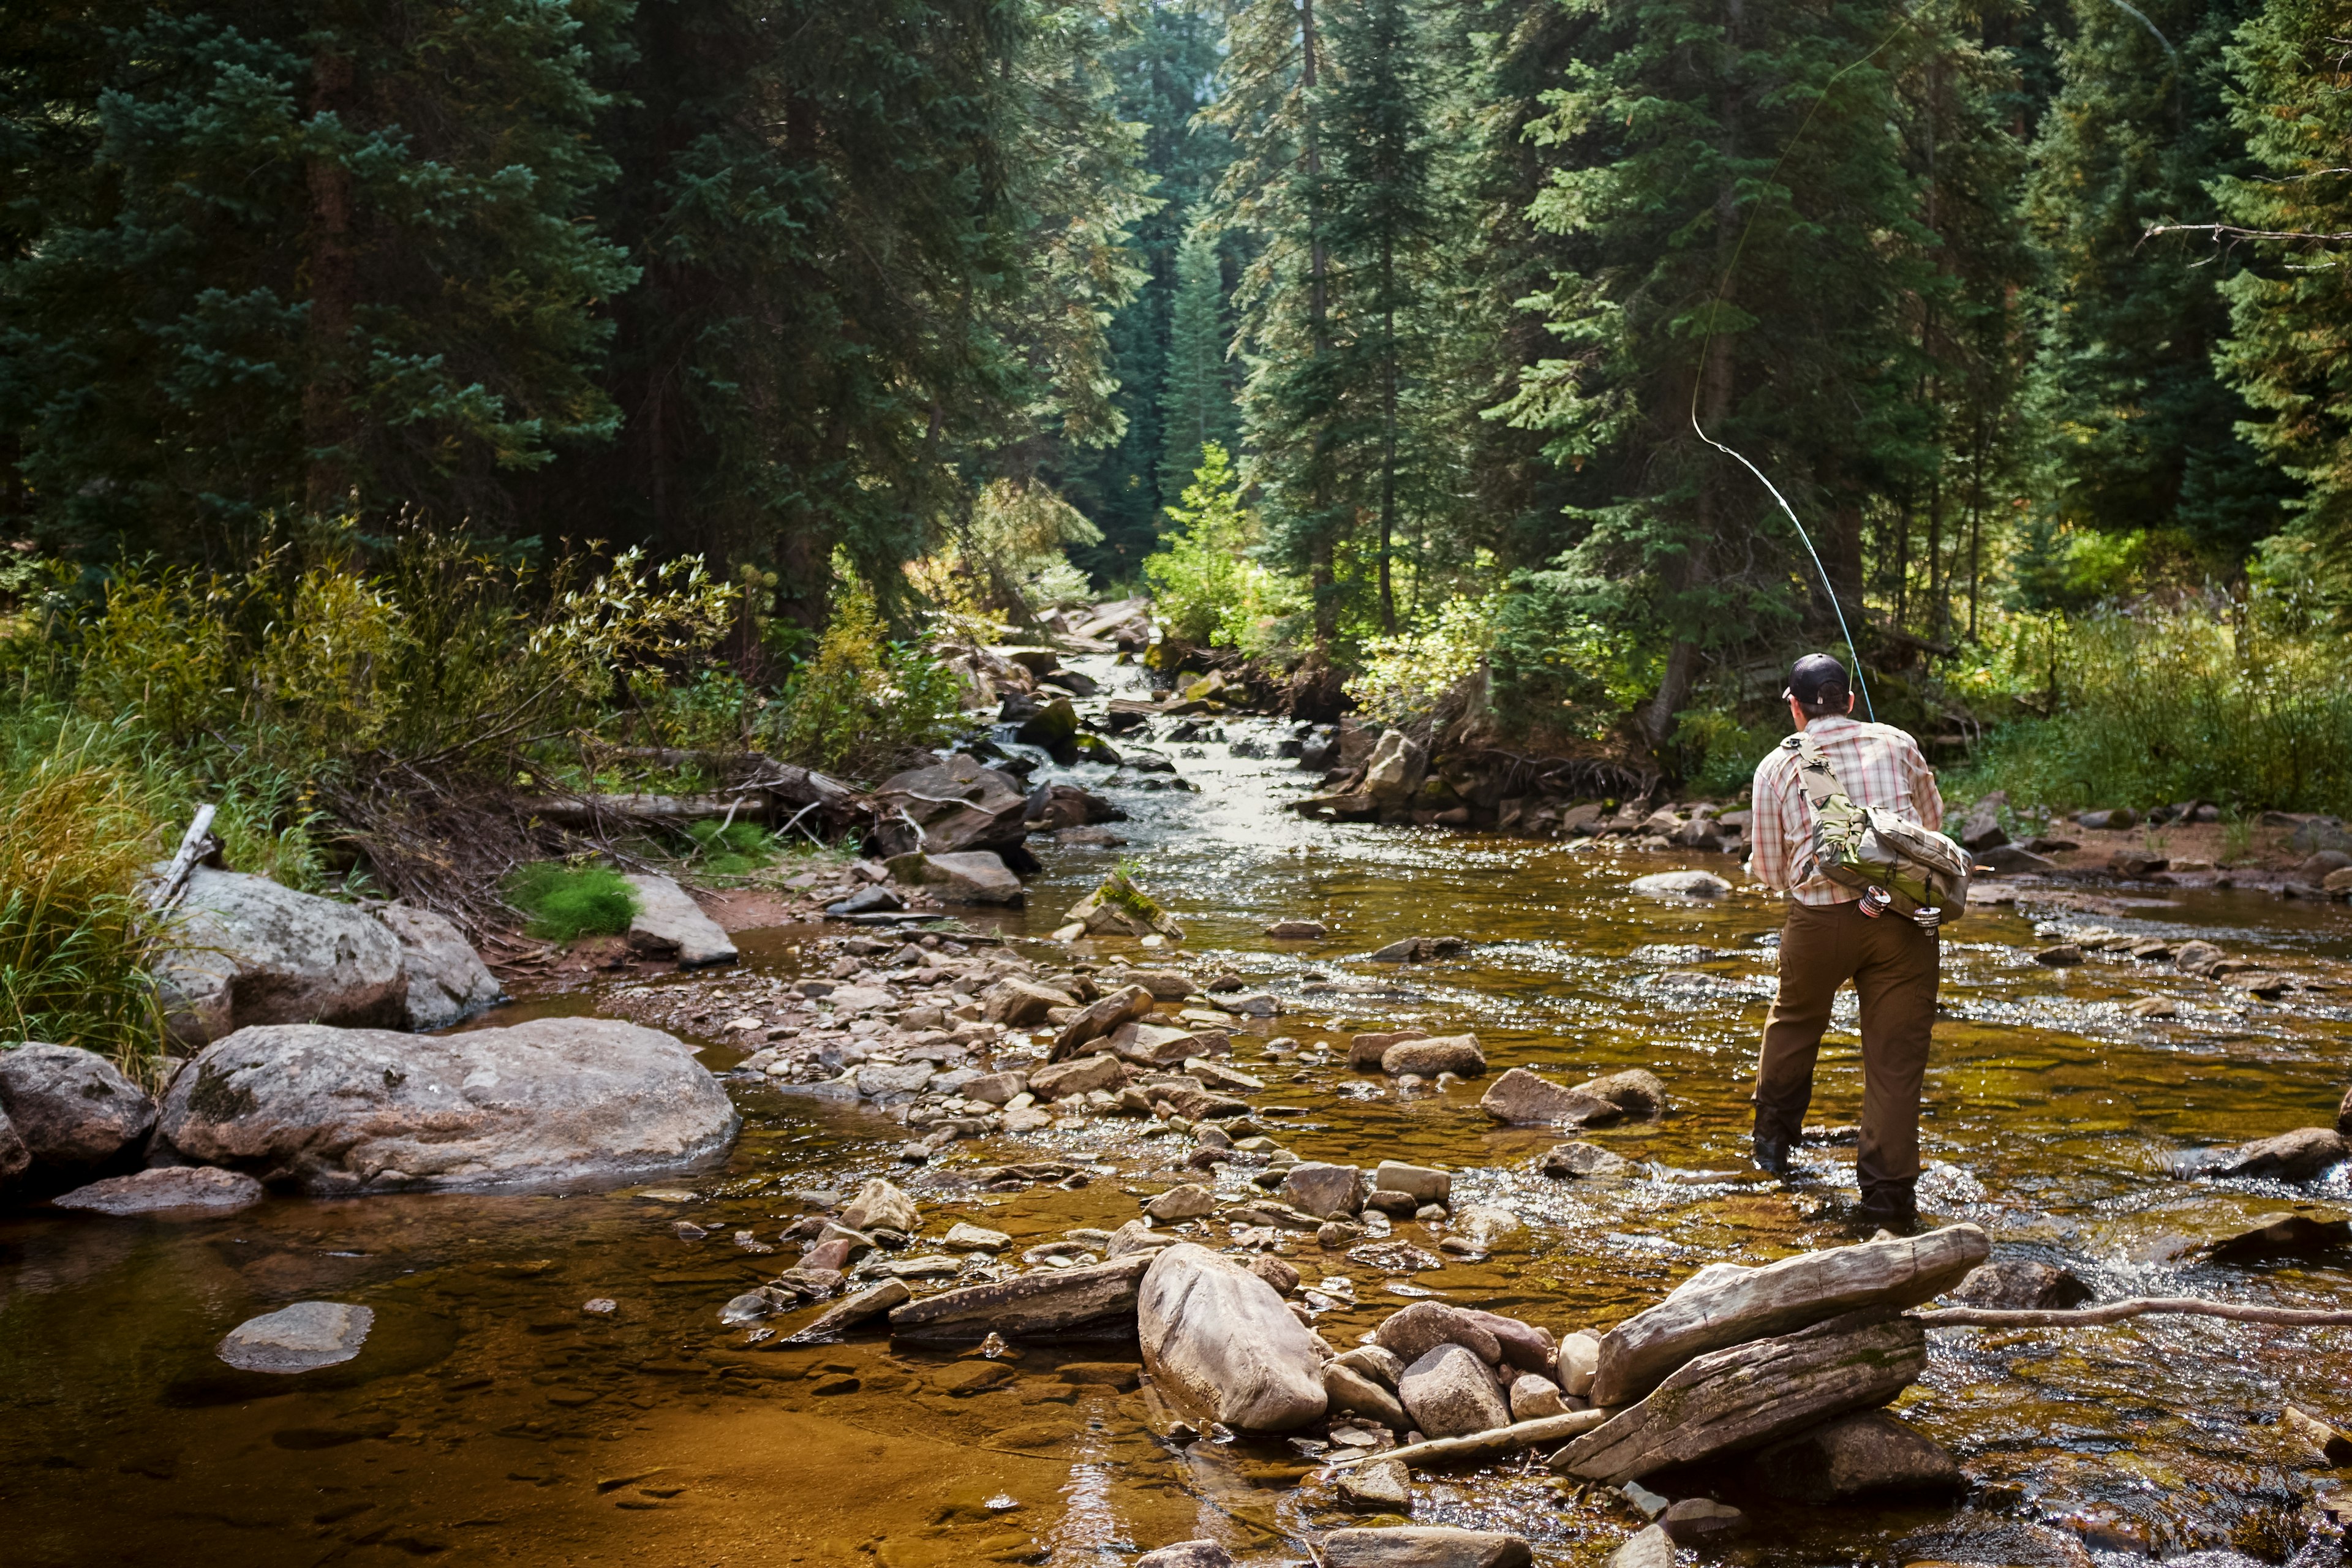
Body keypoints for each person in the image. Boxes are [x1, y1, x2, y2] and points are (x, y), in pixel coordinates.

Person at [1746, 653, 1945, 1232]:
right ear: (1851, 700)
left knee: (1795, 1021)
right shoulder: (1901, 743)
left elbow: (1771, 872)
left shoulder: (1777, 766)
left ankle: (1772, 1149)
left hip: (1821, 922)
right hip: (1906, 917)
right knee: (1894, 1061)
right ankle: (1888, 1199)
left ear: (1795, 707)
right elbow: (1930, 830)